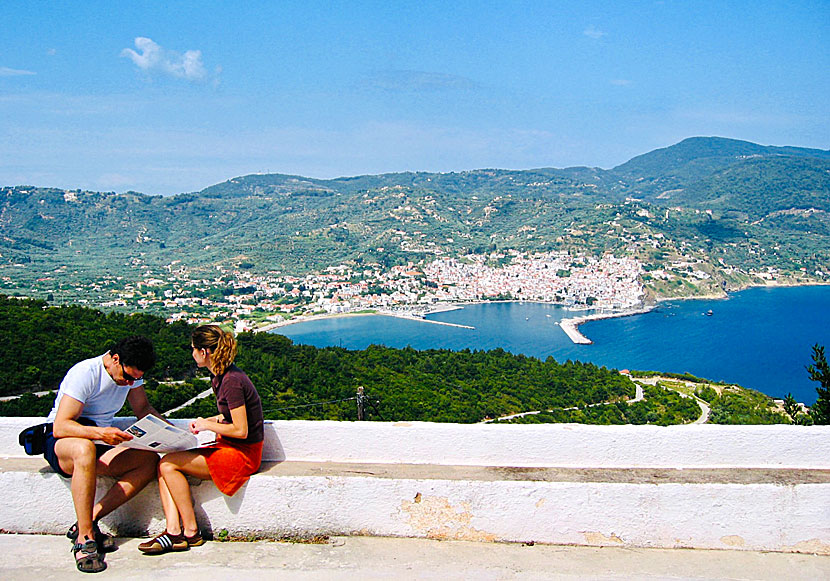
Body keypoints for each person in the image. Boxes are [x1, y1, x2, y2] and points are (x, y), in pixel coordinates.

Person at [138, 325, 264, 554]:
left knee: (168, 463)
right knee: (164, 464)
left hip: (242, 454)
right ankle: (175, 530)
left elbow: (241, 430)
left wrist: (206, 425)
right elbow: (230, 416)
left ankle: (188, 532)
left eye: (193, 349)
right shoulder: (222, 376)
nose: (192, 353)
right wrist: (209, 419)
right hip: (231, 447)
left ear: (204, 352)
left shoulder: (231, 381)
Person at [45, 335, 163, 573]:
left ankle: (87, 520)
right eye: (128, 377)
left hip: (97, 442)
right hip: (64, 442)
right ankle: (85, 539)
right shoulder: (85, 373)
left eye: (136, 380)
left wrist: (169, 433)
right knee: (84, 448)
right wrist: (100, 433)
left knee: (148, 461)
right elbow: (61, 426)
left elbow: (143, 409)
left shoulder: (131, 377)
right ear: (115, 359)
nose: (130, 384)